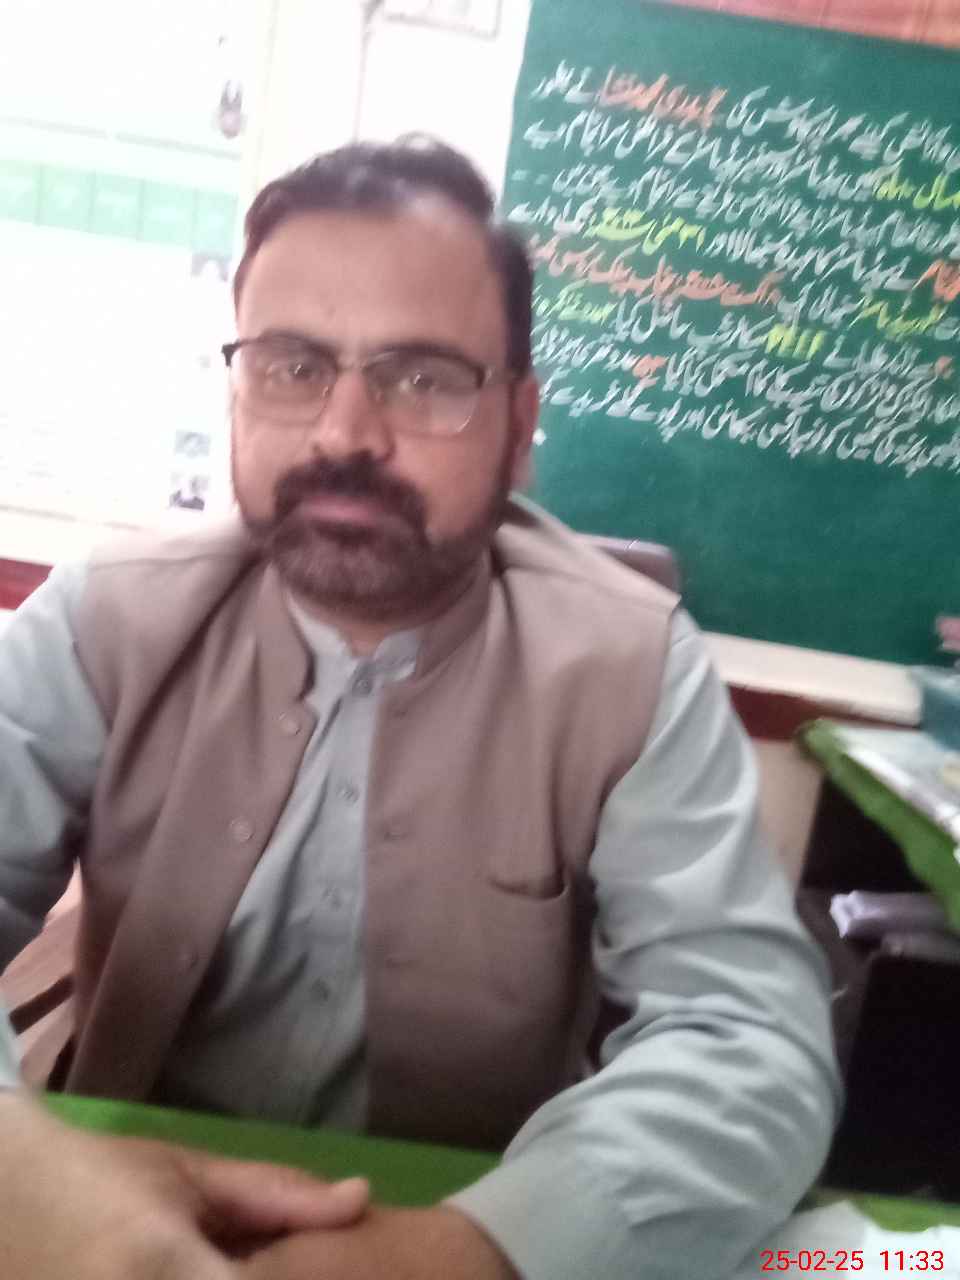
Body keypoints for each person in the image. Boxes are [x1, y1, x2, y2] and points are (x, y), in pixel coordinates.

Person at [0, 138, 839, 1280]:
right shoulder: (106, 617)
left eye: (425, 378)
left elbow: (748, 1036)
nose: (344, 432)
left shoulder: (632, 667)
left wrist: (477, 1247)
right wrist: (18, 1170)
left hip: (472, 1220)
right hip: (106, 1206)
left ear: (519, 422)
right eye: (291, 365)